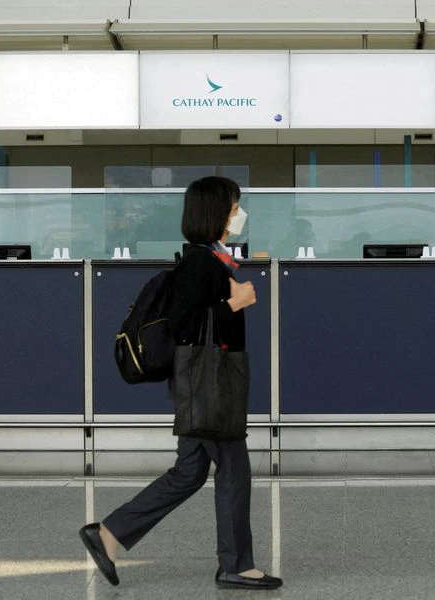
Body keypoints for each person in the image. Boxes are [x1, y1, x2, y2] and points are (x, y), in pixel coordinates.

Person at [79, 176, 283, 591]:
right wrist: (234, 303)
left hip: (202, 382)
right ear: (215, 214)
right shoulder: (199, 264)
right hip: (207, 382)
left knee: (189, 472)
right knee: (233, 470)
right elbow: (184, 326)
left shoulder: (207, 259)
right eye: (233, 207)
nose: (239, 215)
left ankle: (109, 534)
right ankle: (236, 565)